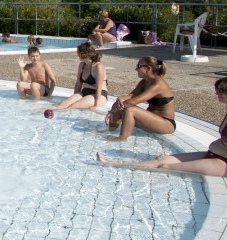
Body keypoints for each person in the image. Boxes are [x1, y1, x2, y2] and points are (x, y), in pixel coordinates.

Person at [96, 77, 227, 177]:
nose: (217, 93)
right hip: (213, 154)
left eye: (221, 91)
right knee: (162, 158)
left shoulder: (158, 84)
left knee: (165, 166)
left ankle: (112, 163)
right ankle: (115, 163)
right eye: (216, 90)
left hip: (222, 163)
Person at [104, 56, 175, 141]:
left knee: (130, 110)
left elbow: (132, 102)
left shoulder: (158, 84)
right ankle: (110, 131)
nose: (136, 69)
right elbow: (130, 96)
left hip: (166, 124)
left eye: (139, 66)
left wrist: (112, 111)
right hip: (152, 120)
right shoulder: (144, 81)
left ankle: (122, 138)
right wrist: (120, 99)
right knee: (118, 103)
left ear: (148, 68)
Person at [57, 42, 108, 109]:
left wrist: (96, 105)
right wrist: (74, 97)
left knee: (73, 107)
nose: (78, 54)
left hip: (99, 94)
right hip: (85, 91)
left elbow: (99, 87)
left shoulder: (98, 66)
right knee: (63, 104)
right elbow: (78, 83)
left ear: (86, 53)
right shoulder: (82, 65)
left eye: (79, 52)